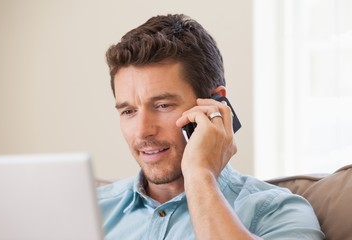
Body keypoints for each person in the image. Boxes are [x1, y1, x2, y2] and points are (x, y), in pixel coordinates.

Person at [98, 14, 324, 239]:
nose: (142, 131)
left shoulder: (277, 212)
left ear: (215, 104)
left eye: (163, 105)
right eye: (128, 111)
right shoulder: (94, 210)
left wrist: (199, 175)